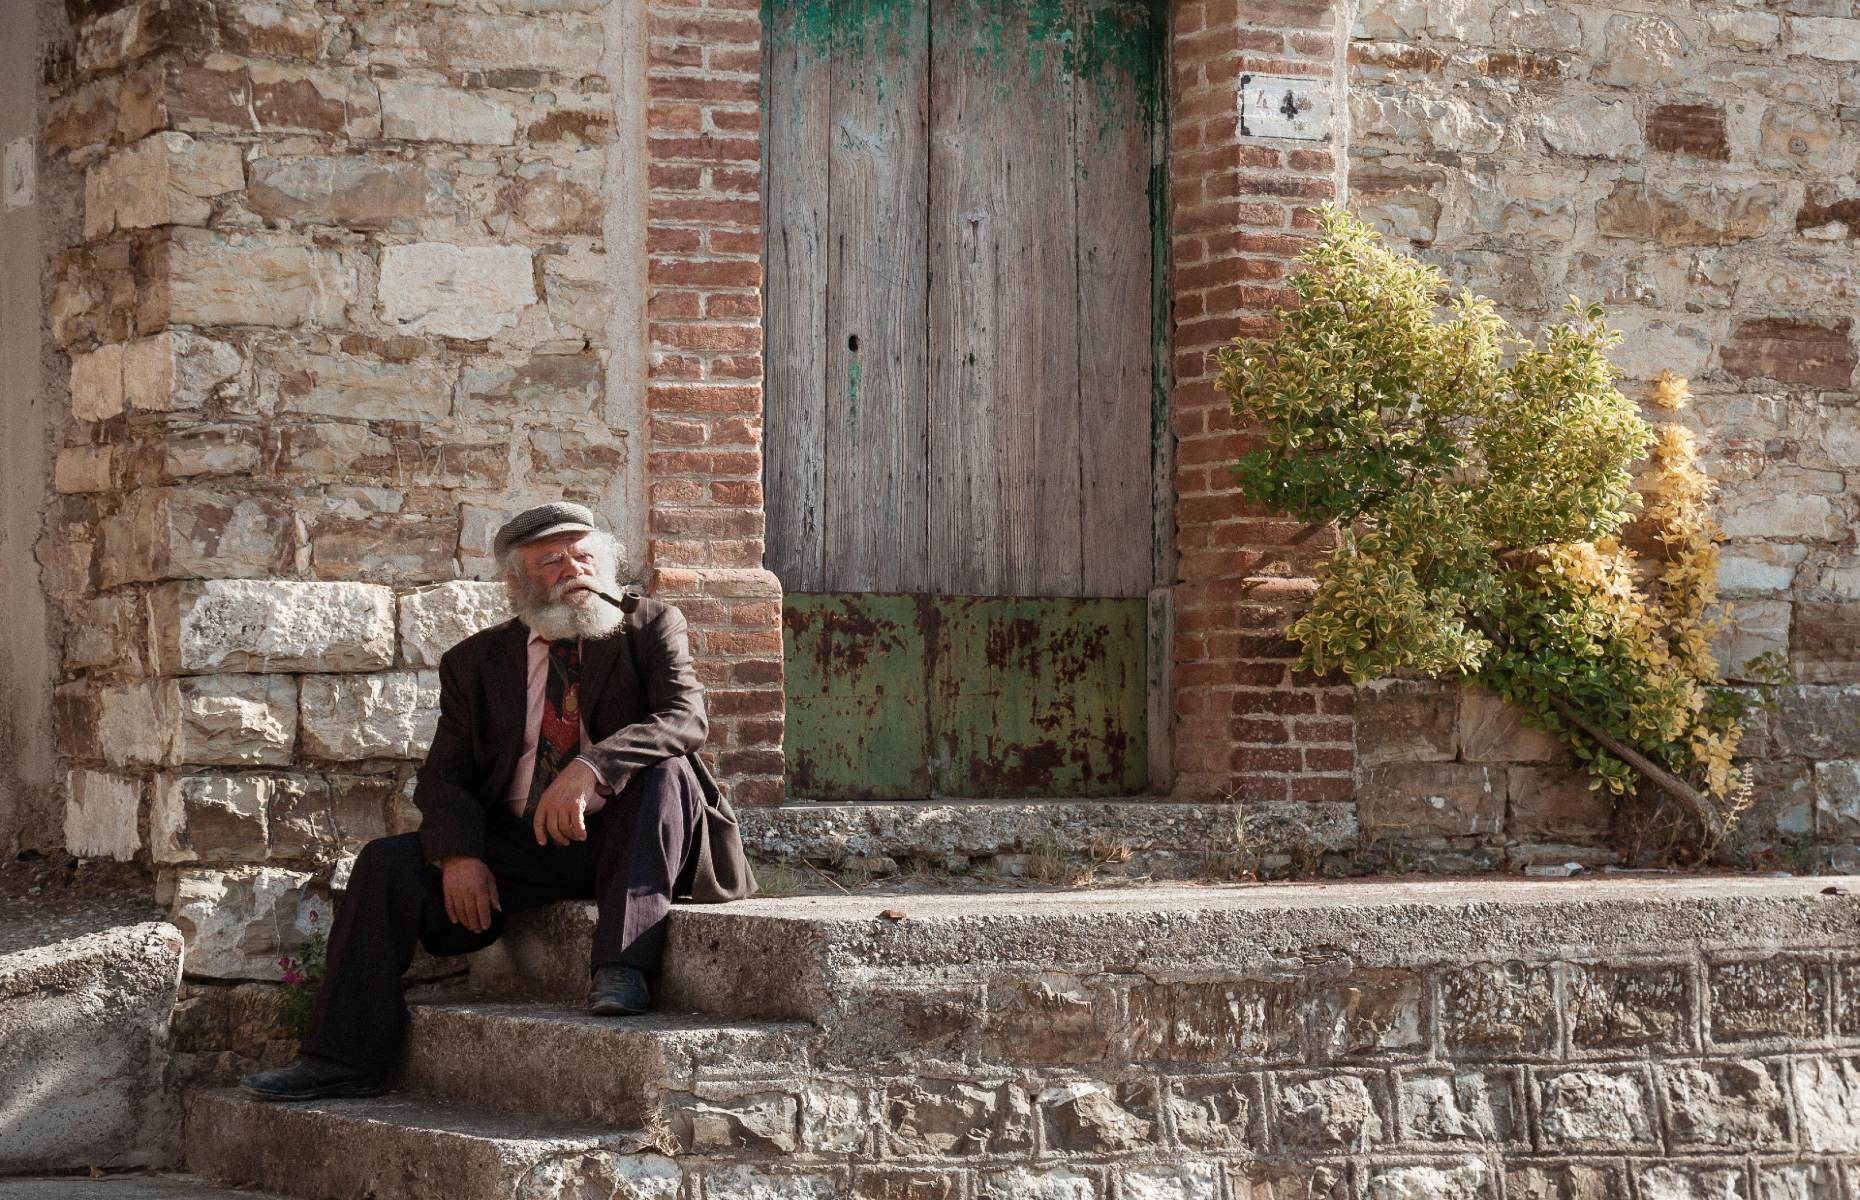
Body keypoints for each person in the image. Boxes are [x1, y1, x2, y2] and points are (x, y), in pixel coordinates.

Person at [241, 502, 756, 1102]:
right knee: (385, 865)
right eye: (552, 560)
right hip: (527, 843)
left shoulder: (650, 627)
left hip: (637, 835)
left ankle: (622, 967)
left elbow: (685, 718)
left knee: (667, 770)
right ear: (518, 580)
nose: (574, 569)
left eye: (585, 555)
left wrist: (591, 768)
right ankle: (342, 1057)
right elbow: (444, 777)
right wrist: (458, 855)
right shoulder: (475, 662)